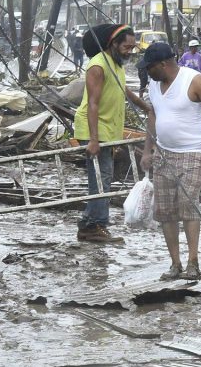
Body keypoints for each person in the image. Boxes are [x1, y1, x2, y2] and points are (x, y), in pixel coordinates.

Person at [140, 42, 201, 281]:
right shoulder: (154, 84)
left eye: (149, 68)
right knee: (166, 210)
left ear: (163, 64)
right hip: (164, 153)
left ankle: (193, 262)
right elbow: (153, 113)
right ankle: (175, 264)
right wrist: (147, 150)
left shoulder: (194, 80)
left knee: (187, 205)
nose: (146, 72)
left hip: (194, 152)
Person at [73, 24, 151, 243]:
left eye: (132, 48)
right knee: (100, 177)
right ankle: (93, 225)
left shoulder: (116, 65)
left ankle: (92, 222)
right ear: (113, 44)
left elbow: (125, 91)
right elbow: (93, 105)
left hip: (108, 130)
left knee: (104, 177)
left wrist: (147, 108)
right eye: (126, 47)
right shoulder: (97, 66)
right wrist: (94, 139)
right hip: (94, 129)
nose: (129, 51)